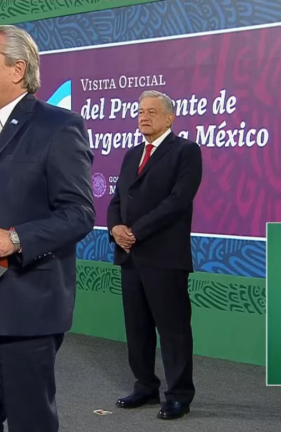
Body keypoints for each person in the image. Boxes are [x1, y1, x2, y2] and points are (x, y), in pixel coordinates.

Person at [0, 25, 95, 432]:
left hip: (23, 309)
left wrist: (14, 238)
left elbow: (78, 213)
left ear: (18, 69)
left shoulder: (57, 127)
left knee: (30, 423)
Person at [107, 90, 202, 420]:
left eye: (151, 111)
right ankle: (145, 385)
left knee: (173, 329)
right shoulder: (132, 154)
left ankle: (178, 394)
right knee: (137, 328)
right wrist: (115, 227)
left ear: (169, 118)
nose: (143, 116)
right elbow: (118, 198)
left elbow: (178, 201)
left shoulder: (186, 152)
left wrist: (137, 231)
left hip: (164, 257)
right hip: (130, 257)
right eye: (140, 111)